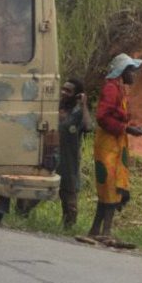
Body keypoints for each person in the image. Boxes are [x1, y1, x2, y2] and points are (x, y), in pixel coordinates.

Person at [88, 53, 142, 240]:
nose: (134, 75)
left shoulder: (119, 88)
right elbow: (102, 117)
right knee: (110, 184)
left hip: (115, 142)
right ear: (122, 71)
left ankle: (96, 230)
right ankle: (105, 231)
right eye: (131, 70)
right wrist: (126, 129)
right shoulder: (111, 88)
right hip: (108, 143)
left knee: (110, 185)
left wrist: (128, 129)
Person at [56, 78, 93, 228]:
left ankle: (68, 226)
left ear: (77, 95)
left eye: (68, 91)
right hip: (49, 158)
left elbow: (88, 127)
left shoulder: (78, 113)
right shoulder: (55, 107)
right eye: (63, 89)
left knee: (69, 196)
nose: (64, 93)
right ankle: (22, 216)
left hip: (68, 160)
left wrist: (83, 105)